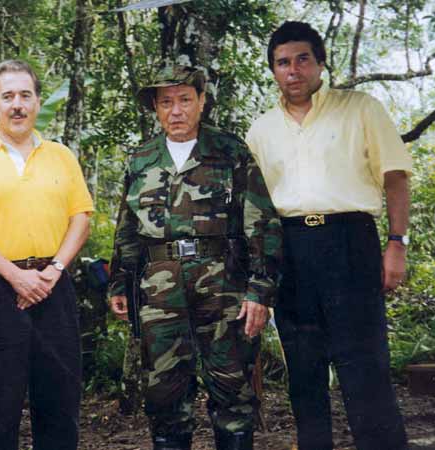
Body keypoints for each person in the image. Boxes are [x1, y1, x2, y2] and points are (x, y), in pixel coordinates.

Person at [246, 21, 411, 450]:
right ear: (273, 70)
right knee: (304, 371)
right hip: (290, 249)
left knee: (365, 367)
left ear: (321, 63)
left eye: (303, 59)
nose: (293, 70)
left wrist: (397, 243)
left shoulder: (360, 109)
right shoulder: (261, 129)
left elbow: (395, 176)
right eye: (283, 62)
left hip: (350, 243)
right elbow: (253, 208)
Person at [108, 65, 282, 450]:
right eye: (166, 102)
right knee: (164, 395)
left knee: (232, 389)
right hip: (158, 291)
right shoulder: (141, 159)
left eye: (185, 100)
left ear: (201, 102)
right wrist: (119, 282)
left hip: (224, 288)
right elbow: (127, 228)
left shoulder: (230, 151)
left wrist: (260, 291)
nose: (176, 111)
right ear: (155, 107)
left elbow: (261, 222)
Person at [0, 59, 94, 450]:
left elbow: (80, 218)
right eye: (7, 96)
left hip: (53, 287)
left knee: (60, 403)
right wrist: (15, 276)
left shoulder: (61, 156)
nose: (17, 105)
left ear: (38, 102)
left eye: (25, 95)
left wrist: (55, 268)